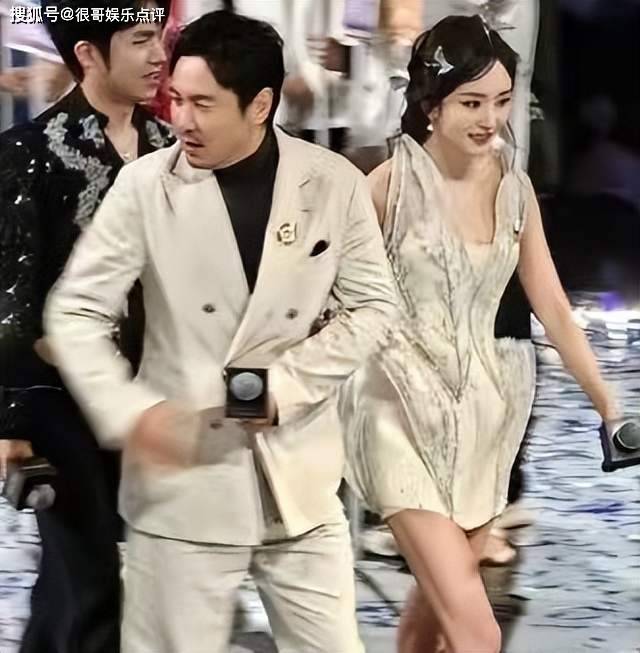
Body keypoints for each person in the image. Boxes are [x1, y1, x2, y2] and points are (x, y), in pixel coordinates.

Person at [45, 10, 397, 653]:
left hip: (298, 481)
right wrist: (133, 414)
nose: (181, 119)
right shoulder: (144, 186)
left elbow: (374, 308)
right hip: (183, 483)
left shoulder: (333, 183)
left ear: (259, 105)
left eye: (202, 104)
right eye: (176, 99)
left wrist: (284, 386)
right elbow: (76, 312)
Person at [340, 15, 623, 653]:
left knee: (431, 620)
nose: (490, 118)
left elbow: (553, 307)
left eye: (501, 101)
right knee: (477, 631)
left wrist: (610, 407)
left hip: (485, 420)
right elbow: (330, 297)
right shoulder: (386, 186)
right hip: (395, 413)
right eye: (472, 102)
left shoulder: (514, 189)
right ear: (432, 105)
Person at [0, 2, 173, 651]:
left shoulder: (175, 147)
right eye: (141, 39)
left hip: (157, 393)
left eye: (161, 37)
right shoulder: (29, 153)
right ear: (88, 53)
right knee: (90, 575)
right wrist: (11, 423)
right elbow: (12, 297)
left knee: (84, 585)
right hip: (60, 400)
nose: (159, 55)